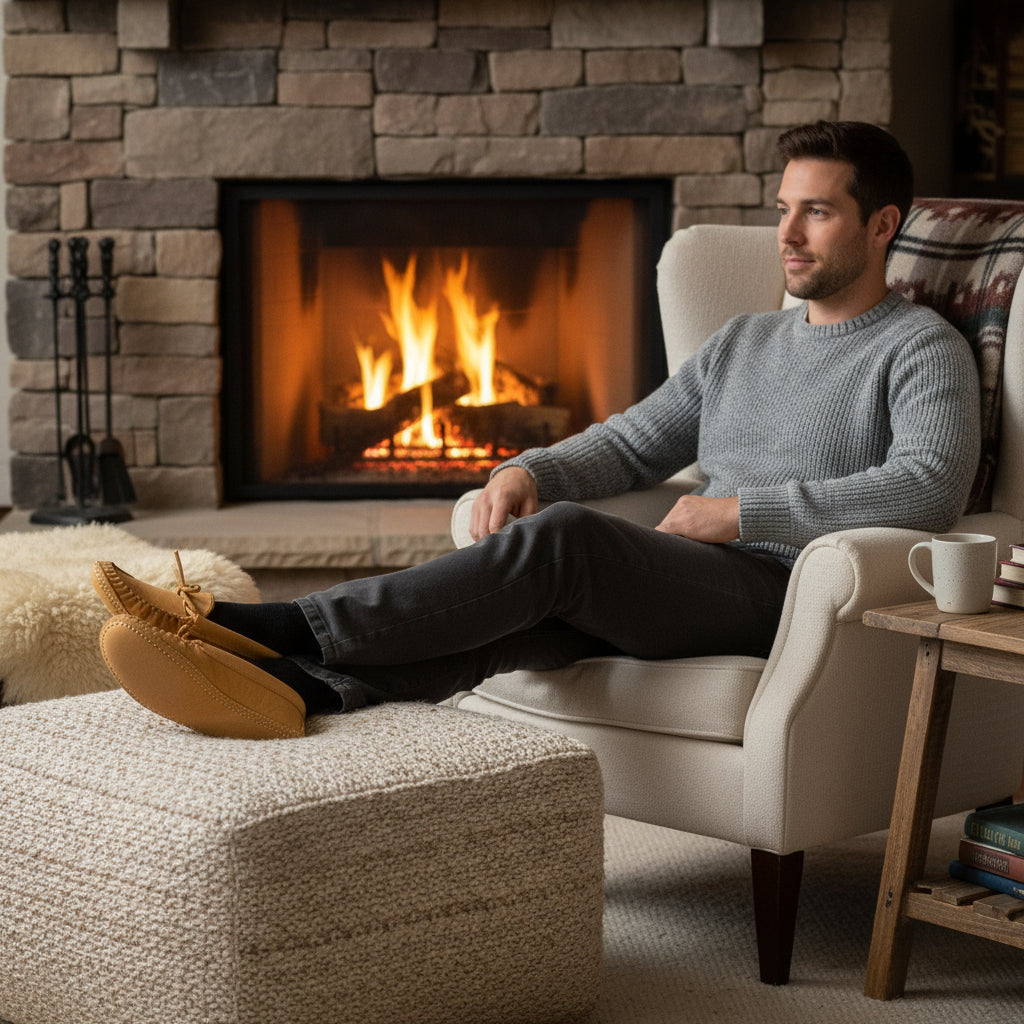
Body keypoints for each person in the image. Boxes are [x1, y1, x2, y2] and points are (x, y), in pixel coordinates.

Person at [95, 120, 982, 741]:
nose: (786, 233)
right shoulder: (744, 340)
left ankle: (273, 625)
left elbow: (929, 486)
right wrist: (527, 470)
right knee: (531, 624)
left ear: (881, 225)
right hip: (692, 578)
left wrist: (742, 512)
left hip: (788, 593)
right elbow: (632, 444)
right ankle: (295, 686)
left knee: (566, 545)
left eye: (816, 212)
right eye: (783, 207)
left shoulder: (919, 348)